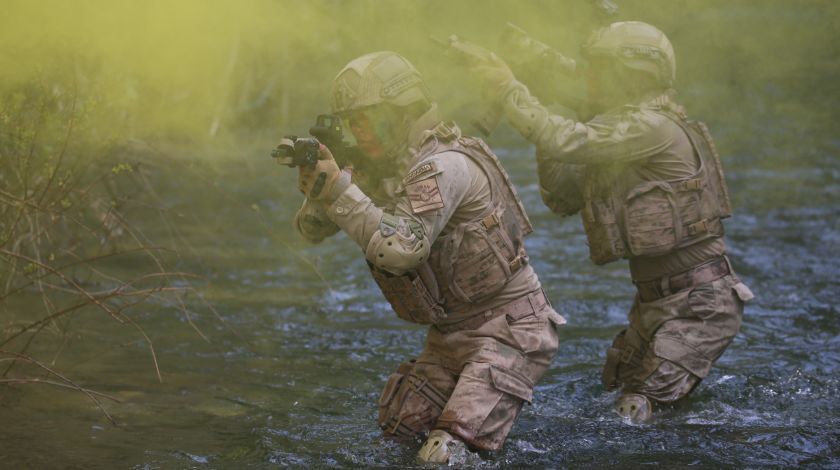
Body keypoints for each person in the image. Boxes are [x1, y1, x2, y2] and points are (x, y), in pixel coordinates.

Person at [468, 21, 754, 421]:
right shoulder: (621, 135)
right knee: (615, 401)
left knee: (630, 412)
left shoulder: (649, 127)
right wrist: (539, 91)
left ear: (630, 76)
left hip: (699, 306)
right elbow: (562, 195)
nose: (588, 78)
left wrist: (508, 89)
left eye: (599, 70)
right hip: (655, 302)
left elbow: (564, 139)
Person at [293, 51, 565, 463]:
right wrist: (325, 184)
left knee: (442, 456)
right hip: (448, 335)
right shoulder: (390, 166)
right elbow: (311, 231)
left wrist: (339, 192)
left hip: (508, 329)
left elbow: (401, 250)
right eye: (351, 121)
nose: (358, 129)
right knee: (395, 443)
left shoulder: (441, 165)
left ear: (402, 111)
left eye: (367, 118)